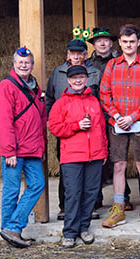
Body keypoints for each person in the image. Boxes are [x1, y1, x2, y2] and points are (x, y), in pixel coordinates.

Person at [100, 24, 140, 229]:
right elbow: (104, 93)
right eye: (124, 42)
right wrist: (116, 115)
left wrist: (133, 117)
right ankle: (118, 208)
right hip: (117, 122)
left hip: (139, 121)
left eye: (132, 42)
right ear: (120, 43)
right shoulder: (113, 65)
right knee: (119, 165)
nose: (128, 45)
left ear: (138, 42)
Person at [48, 65, 108, 248]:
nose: (78, 81)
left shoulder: (94, 101)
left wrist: (104, 151)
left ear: (86, 79)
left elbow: (101, 128)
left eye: (81, 77)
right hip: (72, 156)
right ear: (68, 80)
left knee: (90, 194)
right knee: (73, 194)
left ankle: (84, 227)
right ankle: (70, 232)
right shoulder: (61, 103)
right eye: (74, 78)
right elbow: (54, 127)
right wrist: (76, 125)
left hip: (95, 155)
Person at [0, 47, 46, 248]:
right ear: (14, 64)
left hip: (32, 149)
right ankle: (10, 232)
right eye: (20, 62)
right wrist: (8, 151)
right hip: (14, 150)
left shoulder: (35, 88)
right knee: (11, 191)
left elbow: (41, 120)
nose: (24, 65)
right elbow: (2, 121)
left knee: (37, 185)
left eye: (27, 63)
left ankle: (12, 228)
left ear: (32, 65)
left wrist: (41, 148)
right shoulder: (5, 87)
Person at [46, 36, 101, 221]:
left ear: (85, 54)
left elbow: (100, 100)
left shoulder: (94, 72)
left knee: (91, 173)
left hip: (91, 131)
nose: (76, 56)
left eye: (80, 53)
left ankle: (91, 207)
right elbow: (50, 99)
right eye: (73, 53)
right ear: (67, 54)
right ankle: (65, 207)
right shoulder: (57, 72)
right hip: (67, 131)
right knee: (68, 170)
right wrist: (53, 119)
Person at [88, 26, 134, 213]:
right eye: (98, 40)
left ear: (112, 43)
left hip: (116, 114)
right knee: (97, 156)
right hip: (94, 116)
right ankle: (96, 196)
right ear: (94, 44)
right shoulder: (88, 64)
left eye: (106, 40)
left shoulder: (118, 61)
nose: (102, 43)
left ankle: (124, 196)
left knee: (119, 157)